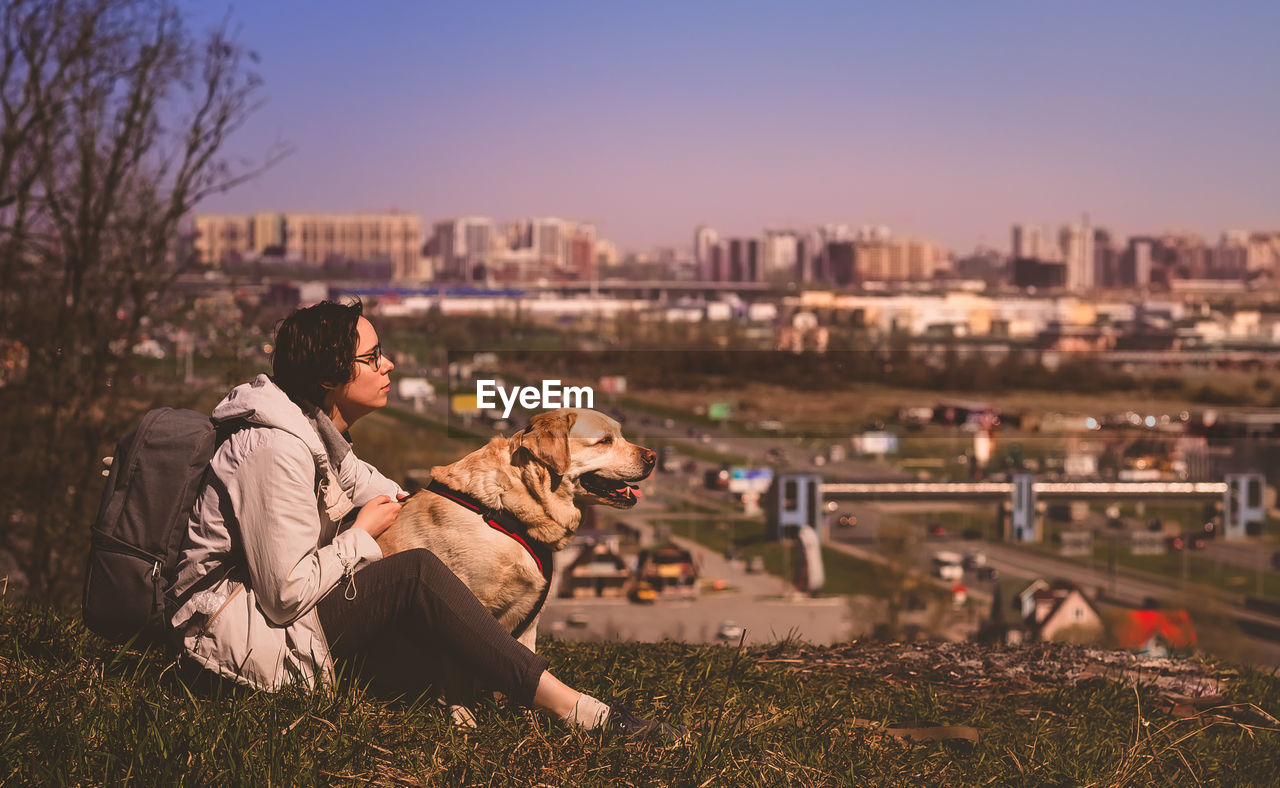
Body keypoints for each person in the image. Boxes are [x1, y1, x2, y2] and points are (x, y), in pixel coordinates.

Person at [169, 299, 679, 740]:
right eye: (371, 358)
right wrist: (362, 534)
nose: (388, 364)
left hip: (291, 620)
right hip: (234, 641)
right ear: (329, 378)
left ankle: (511, 693)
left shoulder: (319, 437)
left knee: (426, 574)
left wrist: (482, 481)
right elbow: (284, 595)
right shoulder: (274, 449)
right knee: (416, 572)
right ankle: (578, 712)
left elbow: (402, 494)